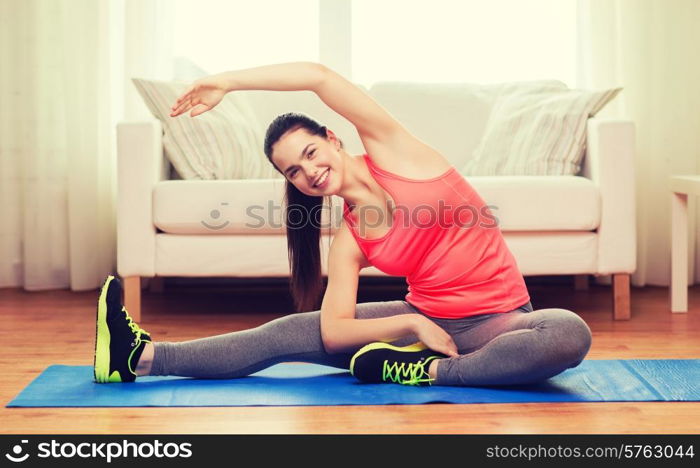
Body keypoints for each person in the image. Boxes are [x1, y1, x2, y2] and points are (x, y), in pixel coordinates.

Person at [93, 62, 592, 387]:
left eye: (310, 153)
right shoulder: (348, 237)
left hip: (504, 320)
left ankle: (433, 373)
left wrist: (228, 82)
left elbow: (318, 77)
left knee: (567, 333)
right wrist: (413, 323)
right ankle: (138, 356)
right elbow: (334, 331)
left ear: (332, 138)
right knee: (285, 333)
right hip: (425, 323)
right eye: (293, 170)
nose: (309, 171)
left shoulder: (397, 152)